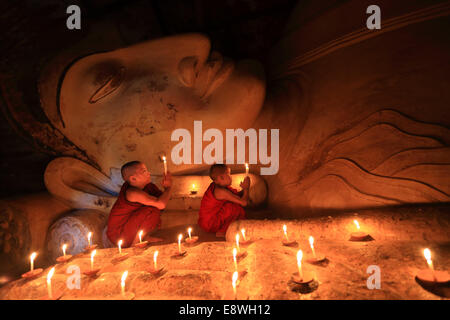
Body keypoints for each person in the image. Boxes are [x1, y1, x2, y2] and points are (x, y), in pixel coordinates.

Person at [106, 161, 172, 247]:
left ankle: (144, 237)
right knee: (152, 210)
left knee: (154, 208)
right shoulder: (132, 193)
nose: (149, 173)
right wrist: (169, 188)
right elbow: (161, 204)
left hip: (129, 225)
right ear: (133, 179)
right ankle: (135, 244)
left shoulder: (147, 186)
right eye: (144, 171)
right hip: (119, 234)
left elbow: (164, 199)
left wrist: (165, 188)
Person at [198, 164, 249, 237]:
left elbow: (237, 196)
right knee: (234, 208)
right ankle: (222, 232)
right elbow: (244, 203)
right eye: (229, 174)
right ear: (221, 177)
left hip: (207, 221)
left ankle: (224, 229)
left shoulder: (217, 186)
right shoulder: (221, 192)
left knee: (232, 204)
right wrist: (246, 189)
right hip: (210, 223)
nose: (231, 177)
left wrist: (244, 189)